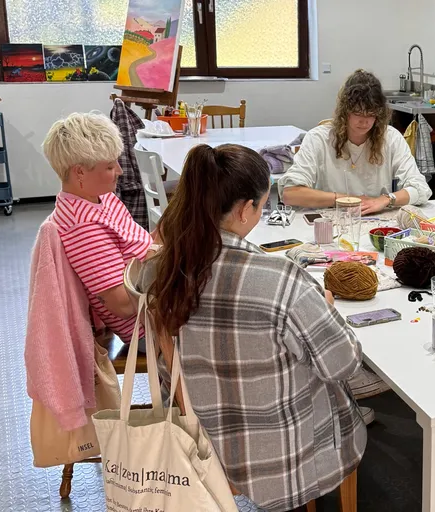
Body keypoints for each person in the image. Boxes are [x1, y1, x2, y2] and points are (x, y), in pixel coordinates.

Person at [140, 144, 366, 511]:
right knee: (347, 390)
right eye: (262, 206)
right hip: (280, 457)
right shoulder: (281, 280)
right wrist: (324, 310)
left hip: (195, 438)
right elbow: (343, 363)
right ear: (246, 209)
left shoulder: (162, 269)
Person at [42, 111, 153, 345]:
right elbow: (122, 304)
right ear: (79, 172)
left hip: (158, 299)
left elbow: (137, 243)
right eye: (111, 166)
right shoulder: (82, 227)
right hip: (149, 327)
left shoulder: (102, 198)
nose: (120, 172)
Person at [280, 69, 432, 214]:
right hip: (329, 221)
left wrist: (387, 199)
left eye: (371, 114)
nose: (364, 121)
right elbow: (290, 193)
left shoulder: (390, 138)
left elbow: (421, 188)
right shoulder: (318, 139)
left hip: (374, 219)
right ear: (344, 111)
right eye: (358, 113)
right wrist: (346, 200)